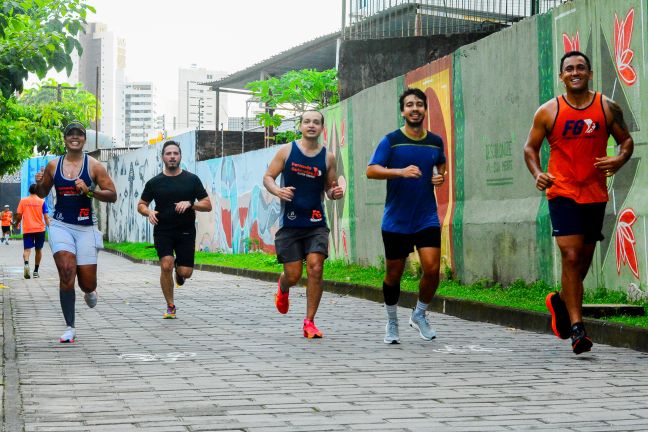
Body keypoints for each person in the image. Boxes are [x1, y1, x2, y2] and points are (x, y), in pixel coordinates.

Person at [524, 51, 634, 355]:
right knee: (571, 256)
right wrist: (538, 173)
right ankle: (577, 329)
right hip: (562, 191)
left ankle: (561, 300)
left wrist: (620, 157)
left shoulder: (607, 107)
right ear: (561, 76)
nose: (575, 72)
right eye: (569, 69)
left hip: (595, 193)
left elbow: (626, 141)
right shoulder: (548, 112)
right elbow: (530, 148)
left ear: (590, 73)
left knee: (582, 261)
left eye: (581, 68)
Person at [366, 88, 446, 344]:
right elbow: (371, 170)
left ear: (425, 110)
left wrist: (439, 176)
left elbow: (440, 163)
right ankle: (391, 320)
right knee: (393, 275)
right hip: (396, 220)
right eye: (409, 105)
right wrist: (399, 172)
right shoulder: (390, 140)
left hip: (426, 216)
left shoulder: (435, 141)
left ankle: (419, 314)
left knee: (433, 269)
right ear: (403, 111)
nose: (414, 109)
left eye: (419, 104)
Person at [263, 110, 344, 339]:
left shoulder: (328, 157)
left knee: (316, 268)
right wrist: (277, 190)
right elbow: (268, 177)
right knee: (293, 274)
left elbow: (330, 188)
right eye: (307, 121)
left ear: (321, 128)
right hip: (290, 224)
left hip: (316, 222)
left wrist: (334, 192)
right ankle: (283, 287)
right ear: (300, 126)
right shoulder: (287, 151)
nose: (311, 125)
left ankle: (309, 322)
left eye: (316, 122)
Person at [34, 121, 117, 343]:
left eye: (78, 134)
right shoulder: (54, 165)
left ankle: (90, 292)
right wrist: (40, 183)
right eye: (70, 134)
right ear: (65, 139)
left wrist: (89, 191)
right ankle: (70, 327)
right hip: (61, 224)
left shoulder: (94, 166)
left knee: (87, 283)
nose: (74, 137)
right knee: (66, 270)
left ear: (84, 139)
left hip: (85, 227)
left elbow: (112, 194)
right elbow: (42, 193)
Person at [137, 140, 212, 319]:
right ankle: (170, 305)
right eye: (168, 153)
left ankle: (180, 272)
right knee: (166, 264)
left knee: (185, 272)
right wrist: (148, 211)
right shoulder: (154, 182)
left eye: (175, 154)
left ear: (180, 156)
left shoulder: (192, 179)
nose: (172, 157)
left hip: (186, 231)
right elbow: (141, 204)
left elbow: (207, 205)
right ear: (163, 157)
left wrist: (191, 204)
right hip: (163, 230)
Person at [14, 184, 50, 279]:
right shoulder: (42, 201)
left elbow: (18, 215)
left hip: (28, 229)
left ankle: (26, 264)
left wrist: (17, 223)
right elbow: (46, 216)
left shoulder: (23, 201)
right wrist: (50, 226)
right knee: (38, 250)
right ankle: (35, 271)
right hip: (40, 229)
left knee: (27, 250)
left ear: (29, 191)